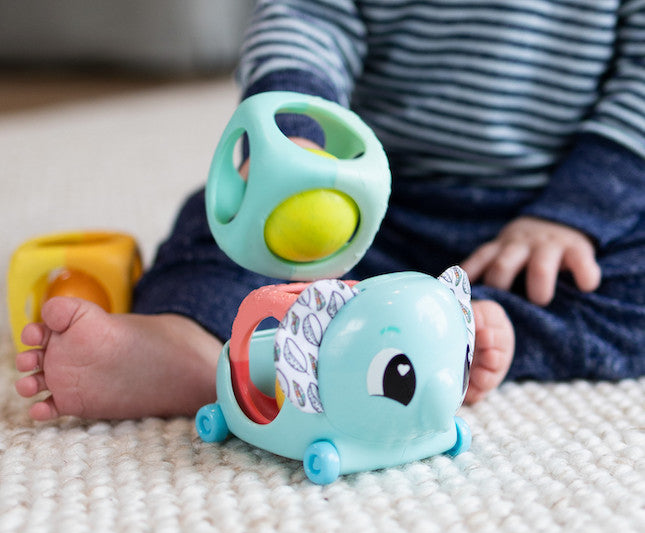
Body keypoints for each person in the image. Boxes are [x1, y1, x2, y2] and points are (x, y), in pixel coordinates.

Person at [15, 0, 645, 421]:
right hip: (363, 206)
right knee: (230, 226)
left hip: (546, 219)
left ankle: (458, 334)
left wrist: (576, 211)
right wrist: (299, 139)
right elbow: (305, 19)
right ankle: (195, 347)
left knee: (624, 288)